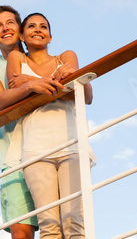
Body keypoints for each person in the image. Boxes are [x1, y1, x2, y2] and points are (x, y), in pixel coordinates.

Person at [5, 13, 96, 239]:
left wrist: (29, 83)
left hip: (72, 145)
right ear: (23, 37)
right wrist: (52, 85)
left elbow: (84, 95)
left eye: (43, 27)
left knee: (73, 220)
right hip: (36, 150)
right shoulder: (17, 58)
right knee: (49, 224)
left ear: (50, 36)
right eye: (32, 27)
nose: (38, 30)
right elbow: (14, 98)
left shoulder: (66, 56)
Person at [0, 6, 65, 239]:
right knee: (22, 231)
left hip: (51, 148)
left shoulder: (42, 59)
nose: (5, 28)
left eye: (10, 23)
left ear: (22, 29)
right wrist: (29, 86)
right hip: (14, 157)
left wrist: (31, 79)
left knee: (61, 225)